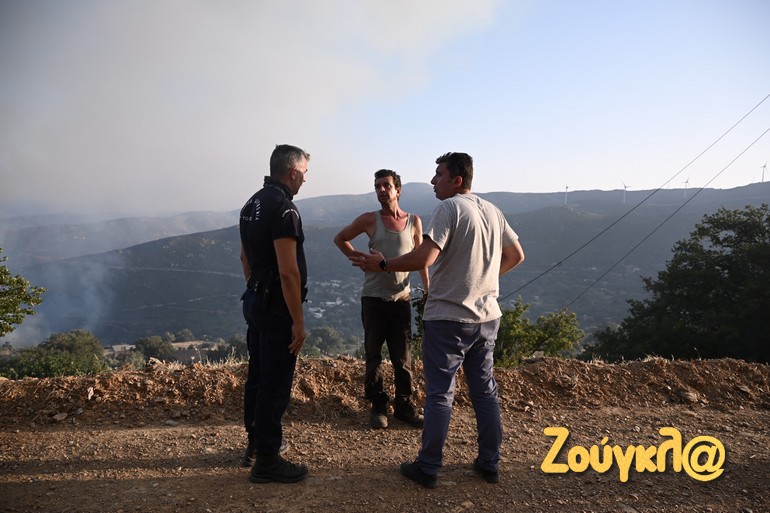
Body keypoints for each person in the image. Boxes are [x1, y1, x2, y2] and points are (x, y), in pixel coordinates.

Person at [350, 152, 525, 488]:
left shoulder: (449, 208)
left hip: (449, 318)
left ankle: (428, 467)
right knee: (485, 392)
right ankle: (490, 463)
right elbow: (517, 255)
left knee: (441, 394)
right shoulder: (493, 210)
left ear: (456, 180)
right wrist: (484, 282)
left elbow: (424, 257)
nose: (432, 181)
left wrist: (383, 264)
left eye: (439, 174)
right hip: (487, 317)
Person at [333, 169, 429, 429]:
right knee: (374, 356)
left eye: (386, 185)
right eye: (377, 186)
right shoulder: (369, 219)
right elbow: (340, 238)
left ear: (398, 190)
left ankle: (404, 407)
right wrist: (360, 260)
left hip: (401, 300)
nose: (381, 190)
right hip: (374, 299)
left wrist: (427, 288)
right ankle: (378, 407)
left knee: (403, 359)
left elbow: (421, 258)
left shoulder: (414, 222)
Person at [239, 144, 310, 484]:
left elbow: (245, 258)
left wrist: (256, 289)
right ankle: (268, 460)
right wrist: (298, 321)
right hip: (276, 308)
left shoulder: (251, 204)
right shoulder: (284, 209)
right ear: (292, 172)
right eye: (304, 173)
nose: (305, 180)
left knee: (257, 375)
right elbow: (288, 272)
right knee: (275, 383)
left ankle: (255, 444)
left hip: (255, 301)